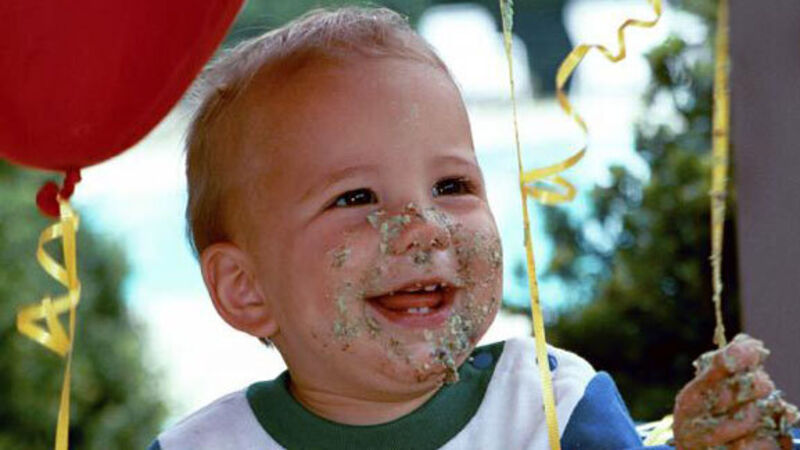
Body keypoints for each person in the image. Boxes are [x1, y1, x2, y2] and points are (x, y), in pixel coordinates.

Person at [148, 7, 798, 449]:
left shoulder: (551, 409)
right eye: (356, 197)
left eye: (452, 187)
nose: (424, 228)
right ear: (246, 288)